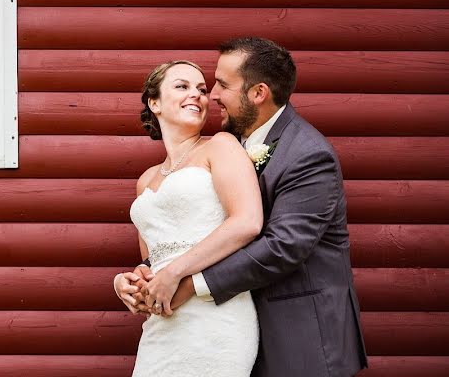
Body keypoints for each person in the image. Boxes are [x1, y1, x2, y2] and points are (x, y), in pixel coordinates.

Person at [116, 37, 368, 377]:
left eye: (220, 85)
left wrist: (186, 283)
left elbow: (283, 246)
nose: (211, 95)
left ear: (258, 93)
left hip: (300, 332)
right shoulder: (235, 143)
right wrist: (140, 278)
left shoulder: (307, 153)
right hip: (216, 318)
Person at [115, 59, 263, 376]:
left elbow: (247, 222)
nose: (196, 95)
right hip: (162, 322)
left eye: (201, 89)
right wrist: (127, 283)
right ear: (154, 102)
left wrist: (174, 274)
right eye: (182, 86)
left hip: (215, 316)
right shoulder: (146, 180)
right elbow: (151, 260)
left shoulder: (220, 147)